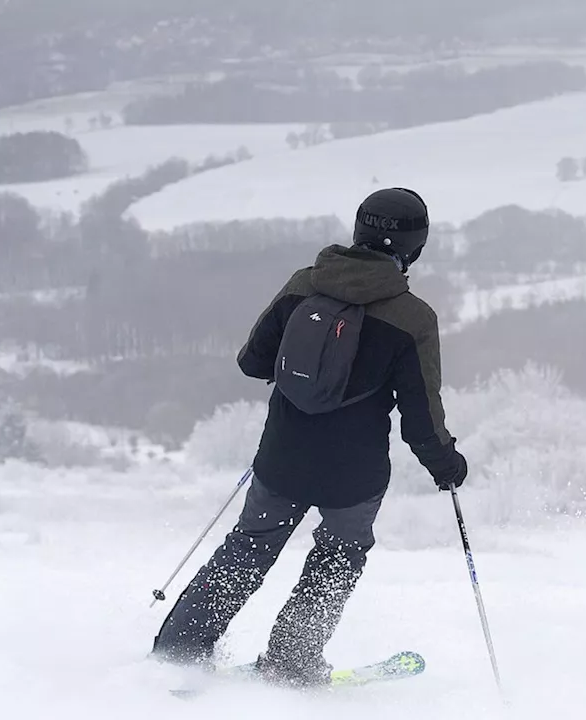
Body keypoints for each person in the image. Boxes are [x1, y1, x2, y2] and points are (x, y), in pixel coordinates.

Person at [151, 187, 467, 686]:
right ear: (416, 246)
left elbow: (252, 361)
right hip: (354, 475)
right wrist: (446, 464)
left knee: (248, 549)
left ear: (358, 230)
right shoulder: (412, 317)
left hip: (282, 456)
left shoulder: (304, 284)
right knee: (336, 561)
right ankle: (290, 663)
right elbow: (420, 418)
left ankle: (178, 653)